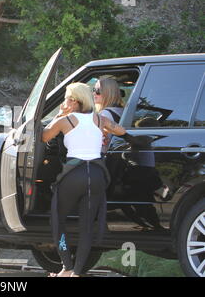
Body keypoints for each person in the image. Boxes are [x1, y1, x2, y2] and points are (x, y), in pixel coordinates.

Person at [42, 82, 138, 277]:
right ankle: (77, 273)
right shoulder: (100, 119)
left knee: (58, 220)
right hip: (96, 174)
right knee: (86, 226)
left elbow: (44, 137)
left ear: (75, 101)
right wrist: (133, 140)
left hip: (73, 175)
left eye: (67, 98)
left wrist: (59, 116)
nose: (65, 101)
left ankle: (67, 267)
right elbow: (119, 130)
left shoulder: (65, 120)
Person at [93, 77, 124, 153]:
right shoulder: (121, 110)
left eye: (98, 91)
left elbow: (99, 146)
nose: (94, 93)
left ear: (108, 92)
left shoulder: (105, 114)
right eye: (94, 90)